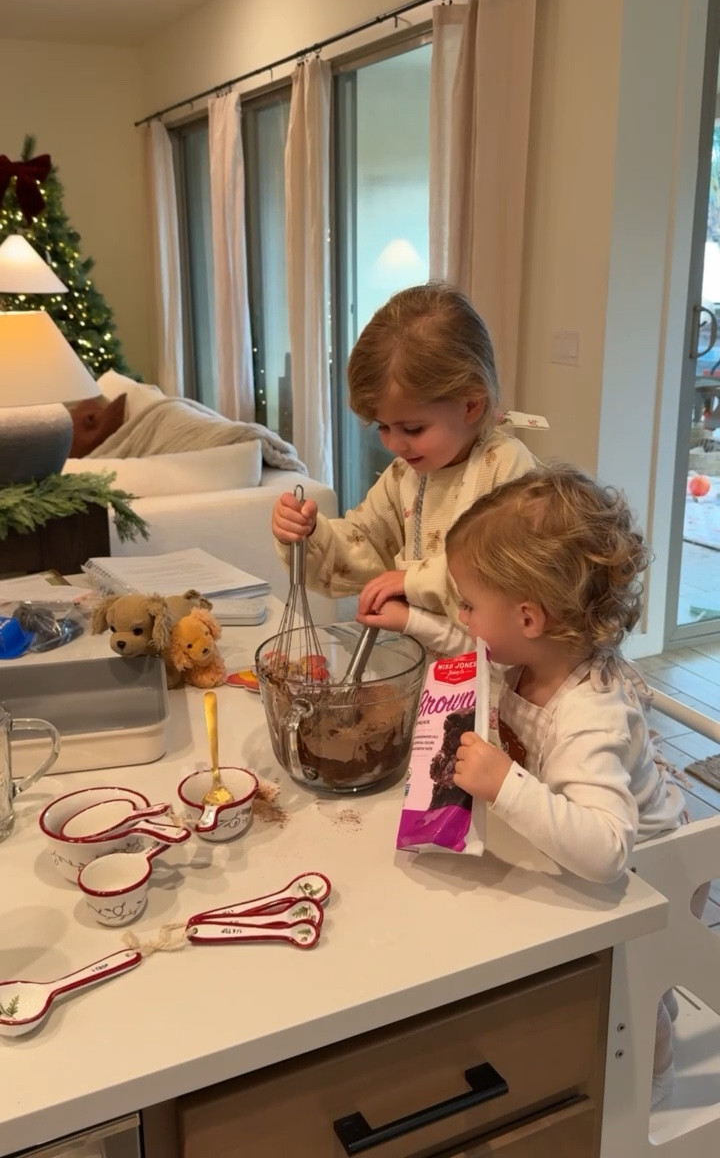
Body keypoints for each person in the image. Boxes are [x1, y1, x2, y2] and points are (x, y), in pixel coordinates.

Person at [444, 463, 690, 1107]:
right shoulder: (534, 656)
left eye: (469, 603)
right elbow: (467, 643)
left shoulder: (588, 711)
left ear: (527, 618)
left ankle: (650, 1093)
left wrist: (504, 783)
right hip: (589, 856)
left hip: (654, 873)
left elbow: (608, 849)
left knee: (637, 993)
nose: (462, 617)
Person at [271, 282, 537, 654]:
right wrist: (310, 535)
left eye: (413, 429)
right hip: (424, 676)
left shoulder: (508, 468)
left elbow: (500, 583)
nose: (394, 444)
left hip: (493, 683)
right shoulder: (405, 475)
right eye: (383, 427)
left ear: (471, 404)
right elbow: (361, 549)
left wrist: (411, 581)